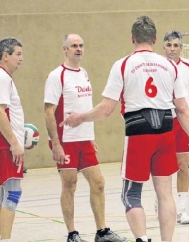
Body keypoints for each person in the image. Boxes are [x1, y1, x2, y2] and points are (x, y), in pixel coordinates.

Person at [60, 16, 189, 242]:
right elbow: (183, 109)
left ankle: (143, 238)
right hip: (166, 131)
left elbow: (106, 109)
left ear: (132, 38)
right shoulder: (169, 65)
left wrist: (80, 118)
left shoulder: (123, 64)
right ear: (155, 39)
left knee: (131, 195)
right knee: (165, 193)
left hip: (139, 132)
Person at [44, 34, 126, 242]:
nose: (78, 49)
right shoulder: (57, 76)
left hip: (84, 138)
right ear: (65, 49)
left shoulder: (84, 73)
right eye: (73, 46)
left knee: (98, 182)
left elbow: (85, 108)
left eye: (81, 45)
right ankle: (72, 234)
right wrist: (56, 144)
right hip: (65, 140)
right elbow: (48, 111)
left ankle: (102, 232)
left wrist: (90, 137)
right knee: (70, 185)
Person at [155, 30, 189, 224]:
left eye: (176, 45)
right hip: (161, 120)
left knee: (182, 166)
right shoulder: (156, 65)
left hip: (182, 122)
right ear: (163, 46)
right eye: (169, 45)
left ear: (181, 48)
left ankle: (182, 210)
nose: (172, 49)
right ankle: (160, 202)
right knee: (162, 166)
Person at [0, 37, 25, 242]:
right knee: (13, 194)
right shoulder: (2, 77)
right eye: (18, 54)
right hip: (4, 145)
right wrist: (14, 143)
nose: (21, 58)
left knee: (4, 194)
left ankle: (1, 238)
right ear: (5, 56)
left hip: (2, 144)